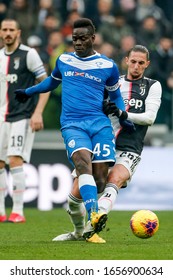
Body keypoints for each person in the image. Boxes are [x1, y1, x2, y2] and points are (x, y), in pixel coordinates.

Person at [15, 18, 128, 243]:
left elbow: (116, 97)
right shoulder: (64, 60)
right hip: (73, 124)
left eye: (82, 38)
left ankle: (80, 231)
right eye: (74, 38)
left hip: (100, 124)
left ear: (93, 38)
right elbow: (51, 82)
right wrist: (29, 91)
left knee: (100, 181)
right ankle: (95, 214)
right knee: (82, 163)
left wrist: (123, 116)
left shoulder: (108, 66)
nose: (77, 42)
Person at [52, 44, 162, 243]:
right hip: (103, 143)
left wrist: (122, 113)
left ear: (147, 64)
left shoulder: (153, 86)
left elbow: (149, 118)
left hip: (130, 147)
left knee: (115, 180)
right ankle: (78, 232)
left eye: (141, 63)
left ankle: (95, 221)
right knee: (74, 198)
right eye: (133, 61)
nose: (136, 66)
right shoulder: (113, 83)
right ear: (126, 61)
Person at [0, 18, 50, 223]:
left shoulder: (29, 54)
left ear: (18, 32)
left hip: (22, 116)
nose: (8, 33)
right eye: (5, 29)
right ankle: (1, 212)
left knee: (14, 160)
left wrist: (38, 113)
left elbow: (46, 84)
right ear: (1, 33)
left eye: (12, 29)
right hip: (2, 116)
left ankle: (18, 211)